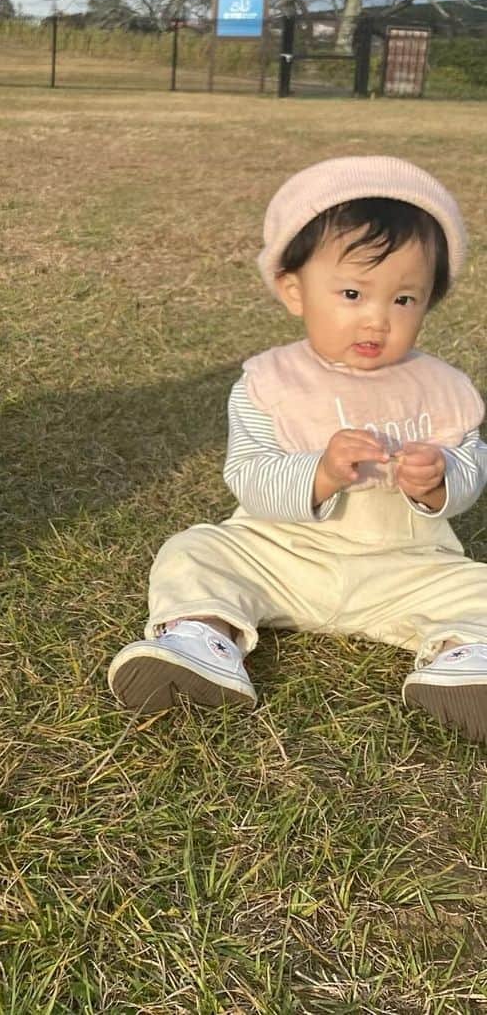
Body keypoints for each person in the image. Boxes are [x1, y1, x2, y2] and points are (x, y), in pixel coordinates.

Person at [108, 156, 487, 742]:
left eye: (404, 300)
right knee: (196, 550)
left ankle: (466, 662)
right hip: (281, 555)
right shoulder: (270, 384)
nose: (377, 319)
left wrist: (440, 477)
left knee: (477, 587)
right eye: (353, 292)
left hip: (404, 567)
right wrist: (321, 471)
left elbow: (472, 467)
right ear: (293, 290)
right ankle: (201, 636)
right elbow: (251, 474)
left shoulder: (444, 389)